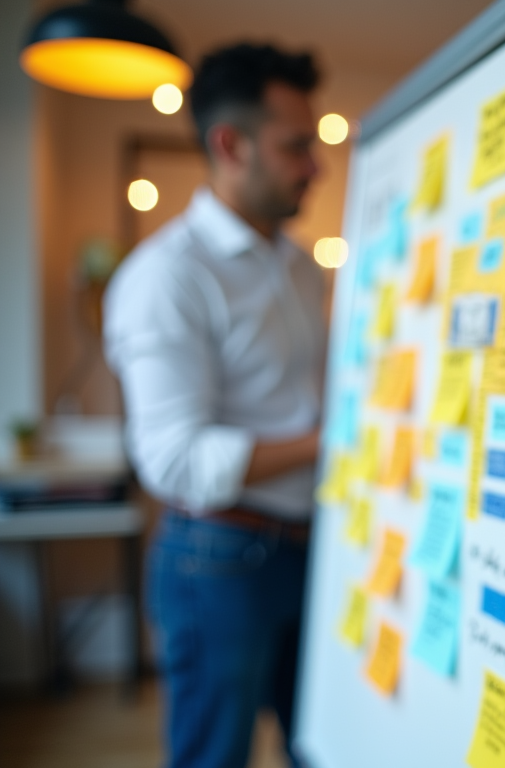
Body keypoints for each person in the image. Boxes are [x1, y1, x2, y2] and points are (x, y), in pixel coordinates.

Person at [104, 43, 326, 768]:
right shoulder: (165, 278)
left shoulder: (298, 265)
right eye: (297, 147)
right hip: (219, 560)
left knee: (323, 745)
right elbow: (171, 459)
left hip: (315, 544)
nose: (316, 166)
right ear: (230, 146)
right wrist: (329, 441)